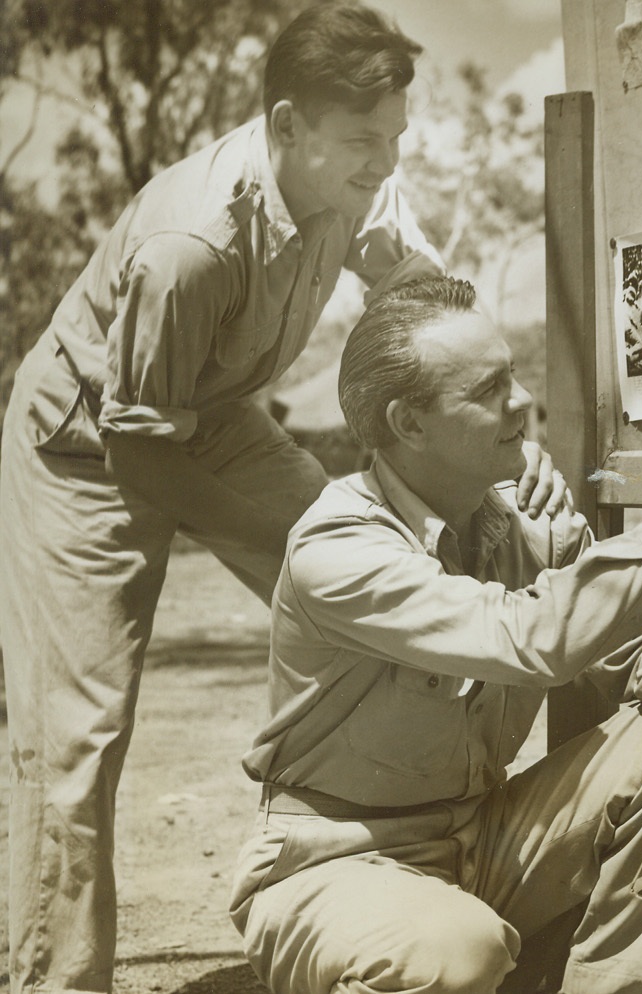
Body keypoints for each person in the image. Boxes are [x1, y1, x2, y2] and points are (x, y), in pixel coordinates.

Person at [0, 6, 564, 993]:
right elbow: (141, 456)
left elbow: (432, 315)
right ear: (287, 125)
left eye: (395, 137)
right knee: (78, 736)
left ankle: (395, 871)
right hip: (87, 446)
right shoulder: (191, 242)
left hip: (213, 412)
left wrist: (508, 435)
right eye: (363, 140)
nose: (385, 162)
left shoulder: (355, 182)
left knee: (399, 575)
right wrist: (310, 559)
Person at [229, 275, 642, 994]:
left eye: (512, 374)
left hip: (480, 843)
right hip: (334, 864)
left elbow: (640, 635)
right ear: (409, 424)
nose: (522, 401)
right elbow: (529, 634)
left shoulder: (523, 521)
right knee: (457, 951)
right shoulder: (338, 548)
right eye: (488, 390)